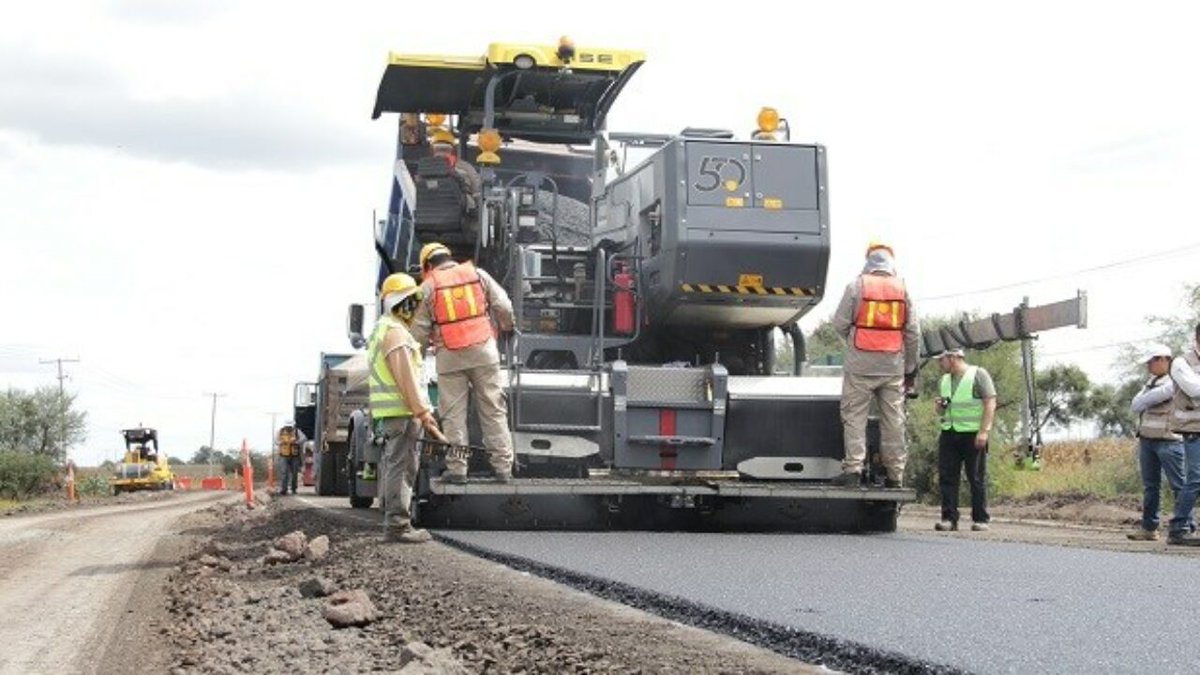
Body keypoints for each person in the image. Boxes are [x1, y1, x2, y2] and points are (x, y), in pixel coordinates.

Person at [410, 242, 515, 483]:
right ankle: (503, 468)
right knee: (493, 410)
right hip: (484, 352)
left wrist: (417, 357)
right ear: (449, 257)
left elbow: (418, 332)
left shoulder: (427, 287)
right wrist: (508, 326)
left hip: (450, 357)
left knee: (453, 415)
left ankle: (457, 470)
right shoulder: (477, 275)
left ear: (427, 265)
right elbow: (503, 306)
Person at [831, 241, 920, 488]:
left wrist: (855, 339)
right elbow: (913, 333)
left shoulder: (856, 286)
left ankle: (853, 471)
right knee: (894, 420)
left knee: (854, 416)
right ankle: (895, 475)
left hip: (860, 364)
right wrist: (909, 367)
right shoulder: (903, 289)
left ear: (868, 261)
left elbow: (839, 323)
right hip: (892, 366)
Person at [368, 272, 440, 544]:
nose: (414, 308)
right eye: (411, 302)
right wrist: (422, 411)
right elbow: (406, 378)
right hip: (403, 412)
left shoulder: (384, 328)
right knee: (402, 466)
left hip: (395, 412)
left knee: (393, 463)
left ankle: (392, 517)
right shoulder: (396, 333)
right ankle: (397, 526)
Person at [932, 349, 997, 532]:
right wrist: (939, 408)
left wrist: (984, 431)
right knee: (947, 477)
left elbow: (990, 403)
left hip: (973, 434)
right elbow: (942, 410)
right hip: (949, 433)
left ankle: (981, 519)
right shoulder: (945, 380)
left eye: (942, 360)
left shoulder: (978, 375)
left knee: (976, 477)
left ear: (953, 358)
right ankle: (949, 519)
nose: (940, 364)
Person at [1126, 343, 1185, 541]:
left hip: (1170, 441)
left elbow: (1142, 401)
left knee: (1179, 486)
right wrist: (1146, 398)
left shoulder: (1175, 381)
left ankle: (1185, 527)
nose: (1148, 366)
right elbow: (1136, 404)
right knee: (1151, 486)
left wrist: (1146, 398)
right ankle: (1149, 527)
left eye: (1151, 361)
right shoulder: (1151, 382)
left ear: (1163, 360)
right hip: (1148, 440)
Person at [1167, 323, 1200, 546]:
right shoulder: (1181, 363)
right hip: (1194, 429)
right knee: (1197, 478)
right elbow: (1194, 389)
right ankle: (1178, 527)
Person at [431, 139, 482, 216]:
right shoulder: (466, 167)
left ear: (433, 150)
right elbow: (477, 191)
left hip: (429, 211)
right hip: (462, 214)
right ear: (452, 149)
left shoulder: (424, 168)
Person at [276, 422, 307, 496]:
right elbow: (276, 441)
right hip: (283, 455)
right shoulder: (280, 432)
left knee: (294, 473)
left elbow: (304, 438)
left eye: (290, 427)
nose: (289, 428)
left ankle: (293, 489)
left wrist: (296, 441)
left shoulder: (297, 431)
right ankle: (284, 489)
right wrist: (281, 442)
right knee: (284, 472)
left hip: (294, 455)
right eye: (287, 426)